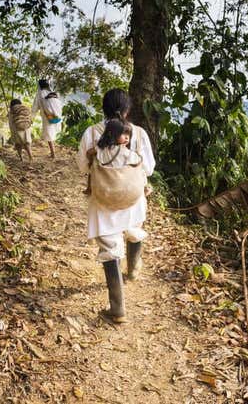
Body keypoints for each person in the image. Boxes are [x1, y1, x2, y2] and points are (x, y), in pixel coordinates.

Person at [76, 89, 155, 324]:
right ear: (127, 110)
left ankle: (118, 309)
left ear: (103, 109)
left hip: (103, 199)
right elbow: (148, 169)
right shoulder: (138, 134)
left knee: (110, 245)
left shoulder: (91, 133)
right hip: (133, 198)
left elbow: (82, 167)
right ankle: (132, 270)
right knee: (133, 230)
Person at [31, 79, 62, 159]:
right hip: (57, 116)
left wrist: (31, 118)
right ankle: (53, 152)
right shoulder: (53, 93)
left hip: (47, 116)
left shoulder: (40, 94)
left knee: (49, 135)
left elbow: (35, 107)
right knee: (52, 133)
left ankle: (53, 154)